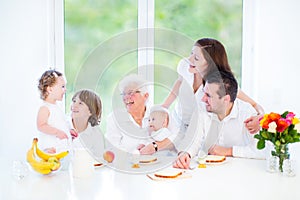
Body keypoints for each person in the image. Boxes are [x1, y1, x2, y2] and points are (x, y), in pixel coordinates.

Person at [163, 38, 264, 134]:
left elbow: (254, 105)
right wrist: (164, 107)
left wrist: (260, 118)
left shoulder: (221, 85)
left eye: (196, 58)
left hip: (197, 133)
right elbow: (179, 82)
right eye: (191, 53)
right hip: (176, 122)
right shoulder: (186, 66)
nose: (189, 59)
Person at [173, 70, 267, 169]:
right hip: (208, 172)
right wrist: (185, 153)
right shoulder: (202, 108)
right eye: (204, 93)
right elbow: (193, 139)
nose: (203, 99)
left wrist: (229, 151)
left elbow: (261, 151)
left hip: (240, 171)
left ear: (226, 99)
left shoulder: (247, 113)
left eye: (208, 95)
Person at [105, 74, 177, 154]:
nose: (126, 97)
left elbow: (177, 137)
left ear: (145, 96)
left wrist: (156, 146)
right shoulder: (115, 118)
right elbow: (112, 149)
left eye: (130, 93)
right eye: (124, 94)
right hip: (129, 165)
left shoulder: (159, 112)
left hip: (159, 162)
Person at [36, 69, 70, 153]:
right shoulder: (45, 108)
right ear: (50, 89)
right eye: (62, 86)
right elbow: (41, 125)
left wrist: (68, 131)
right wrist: (57, 132)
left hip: (60, 149)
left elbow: (60, 123)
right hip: (50, 149)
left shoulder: (56, 107)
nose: (65, 90)